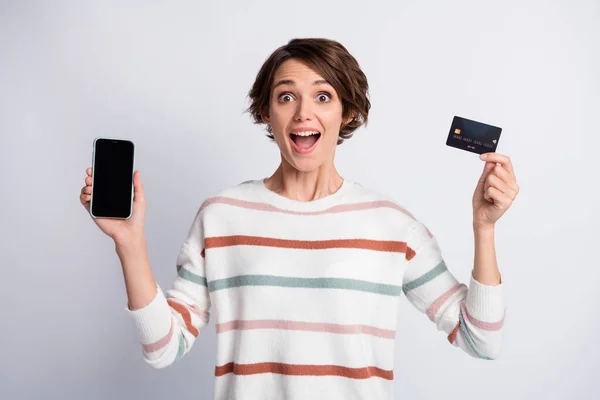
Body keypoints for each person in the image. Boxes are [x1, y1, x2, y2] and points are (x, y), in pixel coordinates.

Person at [79, 38, 519, 399]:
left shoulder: (390, 224)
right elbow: (162, 348)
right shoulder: (222, 217)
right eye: (286, 96)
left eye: (323, 96)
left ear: (345, 112)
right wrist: (128, 241)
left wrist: (485, 228)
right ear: (266, 114)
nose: (303, 112)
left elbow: (481, 340)